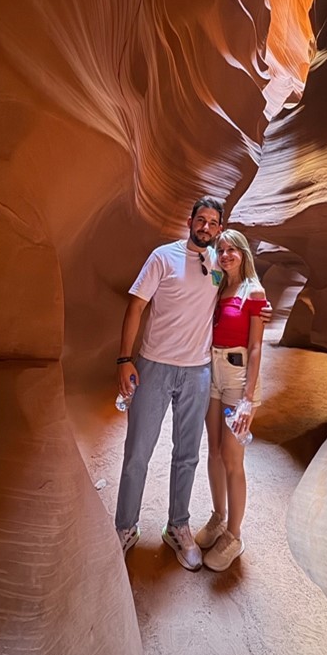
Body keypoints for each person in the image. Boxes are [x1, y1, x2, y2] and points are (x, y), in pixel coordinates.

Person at [114, 196, 225, 571]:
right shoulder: (163, 257)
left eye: (213, 222)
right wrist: (124, 359)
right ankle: (125, 528)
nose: (205, 227)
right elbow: (136, 306)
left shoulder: (218, 265)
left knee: (187, 454)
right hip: (155, 367)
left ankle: (177, 526)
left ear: (219, 229)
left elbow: (241, 293)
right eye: (201, 219)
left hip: (197, 372)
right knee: (138, 453)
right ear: (190, 221)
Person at [195, 230, 268, 571]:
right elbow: (201, 261)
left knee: (232, 456)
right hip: (212, 373)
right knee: (212, 449)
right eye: (221, 250)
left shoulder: (253, 291)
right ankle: (218, 517)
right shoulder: (218, 286)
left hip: (237, 379)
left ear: (244, 253)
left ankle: (234, 536)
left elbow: (255, 347)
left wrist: (248, 401)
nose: (225, 255)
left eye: (231, 250)